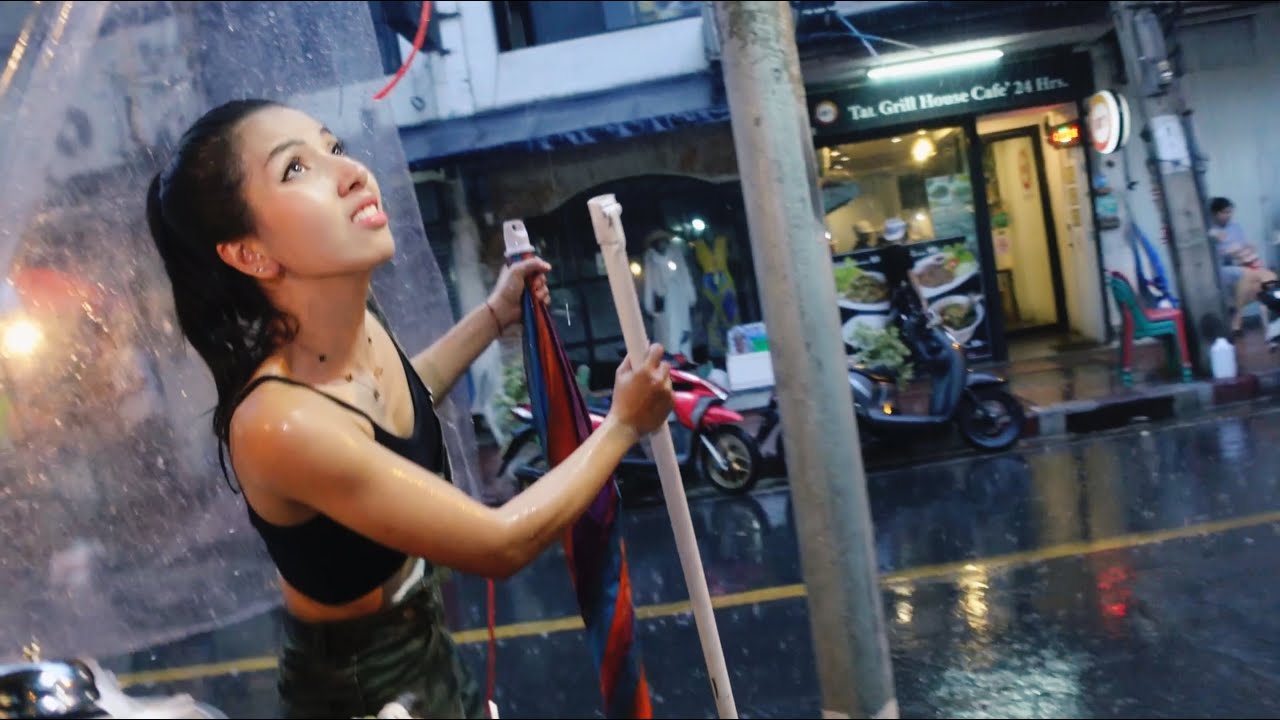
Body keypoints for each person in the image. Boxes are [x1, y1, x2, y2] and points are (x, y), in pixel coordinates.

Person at [145, 99, 674, 719]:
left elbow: (395, 405)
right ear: (250, 254)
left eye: (335, 149)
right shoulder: (278, 424)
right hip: (361, 693)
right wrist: (623, 425)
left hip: (428, 658)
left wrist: (493, 316)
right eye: (295, 169)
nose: (352, 172)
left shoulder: (359, 326)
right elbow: (498, 545)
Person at [1208, 196, 1277, 338]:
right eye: (1225, 212)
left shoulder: (1235, 227)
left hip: (1239, 265)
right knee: (1249, 275)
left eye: (1230, 212)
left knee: (1269, 279)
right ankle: (1236, 320)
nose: (1229, 215)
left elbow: (1243, 248)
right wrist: (1227, 252)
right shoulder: (1210, 230)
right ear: (1216, 213)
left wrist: (1248, 250)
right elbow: (1212, 256)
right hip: (1220, 269)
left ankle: (1244, 317)